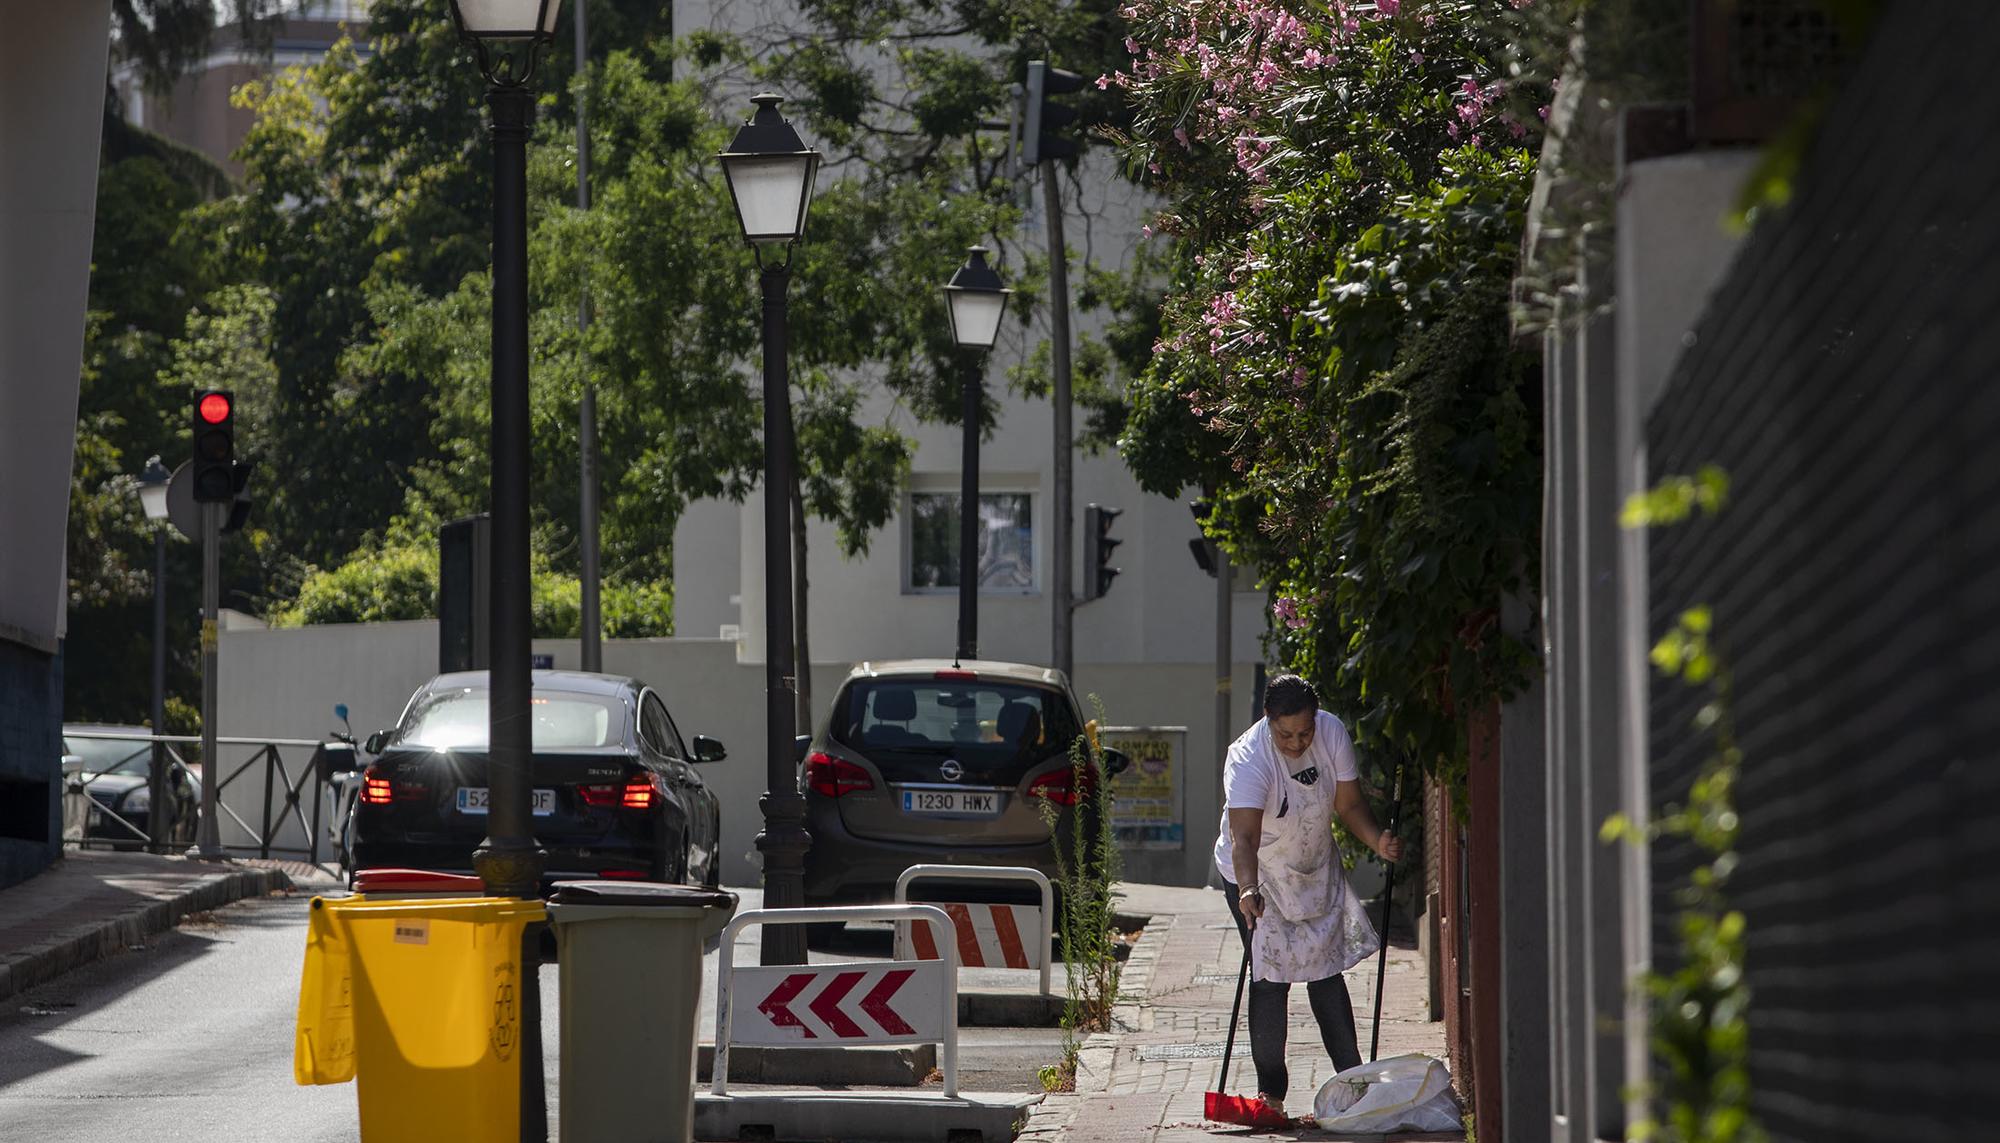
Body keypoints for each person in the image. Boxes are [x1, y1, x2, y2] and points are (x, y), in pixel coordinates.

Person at [1214, 673, 1403, 1119]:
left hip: (1314, 866)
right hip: (1257, 873)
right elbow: (1244, 838)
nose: (1297, 743)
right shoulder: (1249, 758)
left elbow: (1349, 804)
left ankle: (1353, 1083)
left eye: (1304, 732)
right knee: (1269, 977)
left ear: (1316, 719)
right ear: (1268, 719)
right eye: (1286, 734)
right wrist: (1247, 888)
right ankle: (1271, 1095)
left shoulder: (1331, 733)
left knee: (1326, 971)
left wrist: (1377, 841)